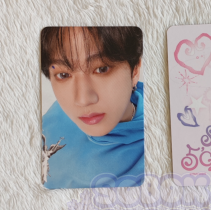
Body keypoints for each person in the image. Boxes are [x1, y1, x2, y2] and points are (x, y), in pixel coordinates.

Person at [41, 26, 144, 189]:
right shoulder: (52, 119)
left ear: (135, 70)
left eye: (101, 69)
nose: (82, 100)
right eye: (64, 75)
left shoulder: (167, 148)